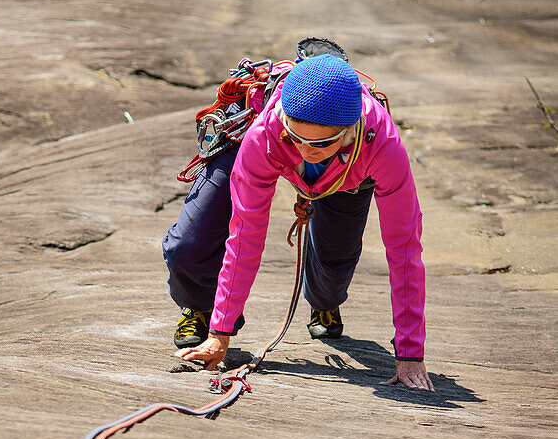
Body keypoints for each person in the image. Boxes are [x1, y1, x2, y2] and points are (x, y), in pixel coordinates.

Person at [162, 52, 434, 391]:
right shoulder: (266, 133)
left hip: (349, 172)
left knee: (336, 262)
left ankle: (323, 303)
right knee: (188, 245)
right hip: (268, 147)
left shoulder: (383, 145)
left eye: (319, 143)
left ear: (349, 131)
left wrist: (410, 354)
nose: (306, 151)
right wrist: (221, 333)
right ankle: (201, 309)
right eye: (297, 138)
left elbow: (404, 247)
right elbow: (245, 234)